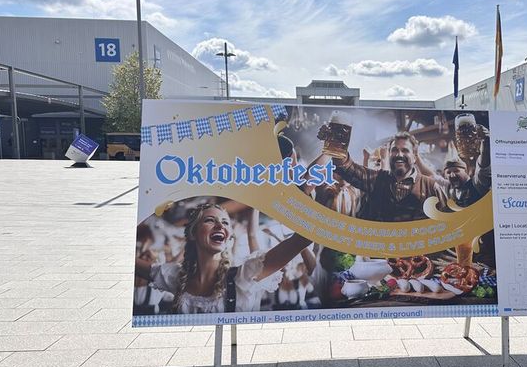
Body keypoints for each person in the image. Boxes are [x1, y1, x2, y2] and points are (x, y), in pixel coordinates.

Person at [135, 202, 311, 314]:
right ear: (193, 233)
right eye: (210, 220)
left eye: (225, 222)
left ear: (228, 237)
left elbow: (303, 238)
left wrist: (299, 196)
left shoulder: (244, 276)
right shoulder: (175, 276)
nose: (220, 225)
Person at [330, 131, 447, 222]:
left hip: (419, 252)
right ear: (389, 154)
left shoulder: (431, 187)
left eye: (405, 150)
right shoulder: (376, 179)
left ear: (415, 157)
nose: (399, 154)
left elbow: (445, 224)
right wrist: (336, 141)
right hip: (381, 251)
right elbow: (346, 168)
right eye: (394, 150)